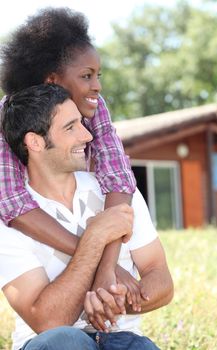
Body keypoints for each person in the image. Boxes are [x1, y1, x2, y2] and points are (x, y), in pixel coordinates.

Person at [0, 83, 173, 350]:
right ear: (34, 142)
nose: (87, 136)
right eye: (70, 128)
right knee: (66, 340)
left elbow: (161, 280)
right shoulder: (8, 221)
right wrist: (94, 238)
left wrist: (113, 299)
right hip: (50, 343)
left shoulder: (118, 193)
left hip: (121, 340)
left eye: (82, 123)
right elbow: (47, 321)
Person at [0, 7, 139, 304]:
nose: (97, 86)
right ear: (52, 80)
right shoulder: (8, 115)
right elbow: (12, 203)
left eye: (98, 75)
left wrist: (105, 268)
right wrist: (103, 264)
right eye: (87, 76)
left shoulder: (95, 105)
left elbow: (118, 177)